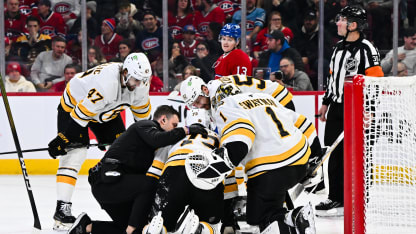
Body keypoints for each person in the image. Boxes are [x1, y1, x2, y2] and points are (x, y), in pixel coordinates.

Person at [189, 82, 316, 234]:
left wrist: (216, 166)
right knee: (270, 204)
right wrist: (316, 157)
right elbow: (304, 123)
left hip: (270, 168)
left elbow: (241, 142)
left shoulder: (226, 106)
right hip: (300, 160)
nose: (202, 107)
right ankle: (290, 217)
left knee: (258, 218)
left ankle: (296, 217)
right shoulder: (264, 97)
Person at [47, 53, 153, 230]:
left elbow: (144, 123)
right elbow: (80, 116)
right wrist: (64, 139)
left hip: (106, 111)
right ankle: (61, 210)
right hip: (75, 105)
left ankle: (127, 201)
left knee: (124, 152)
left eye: (143, 80)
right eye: (136, 80)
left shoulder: (140, 84)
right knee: (75, 153)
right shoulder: (107, 84)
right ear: (125, 72)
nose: (139, 85)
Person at [67, 105, 208, 234]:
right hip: (106, 182)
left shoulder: (153, 142)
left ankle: (86, 227)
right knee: (149, 184)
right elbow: (157, 139)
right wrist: (186, 130)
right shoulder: (145, 125)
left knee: (137, 228)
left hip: (114, 185)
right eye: (174, 125)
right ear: (163, 120)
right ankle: (130, 230)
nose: (175, 128)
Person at [316, 6, 384, 217]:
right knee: (333, 153)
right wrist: (326, 102)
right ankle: (335, 196)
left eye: (342, 20)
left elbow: (376, 83)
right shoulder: (337, 48)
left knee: (359, 154)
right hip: (336, 108)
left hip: (357, 109)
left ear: (353, 25)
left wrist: (369, 109)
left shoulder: (367, 49)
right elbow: (332, 78)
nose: (338, 23)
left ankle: (359, 197)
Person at [142, 108, 224, 233]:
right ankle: (198, 230)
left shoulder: (175, 133)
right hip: (206, 172)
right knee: (211, 225)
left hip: (174, 171)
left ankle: (155, 229)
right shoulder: (218, 137)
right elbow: (228, 166)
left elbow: (155, 170)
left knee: (162, 221)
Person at [180, 75, 296, 112]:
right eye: (194, 104)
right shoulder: (212, 92)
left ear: (205, 90)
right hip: (269, 99)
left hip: (277, 98)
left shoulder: (219, 93)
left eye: (198, 101)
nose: (199, 106)